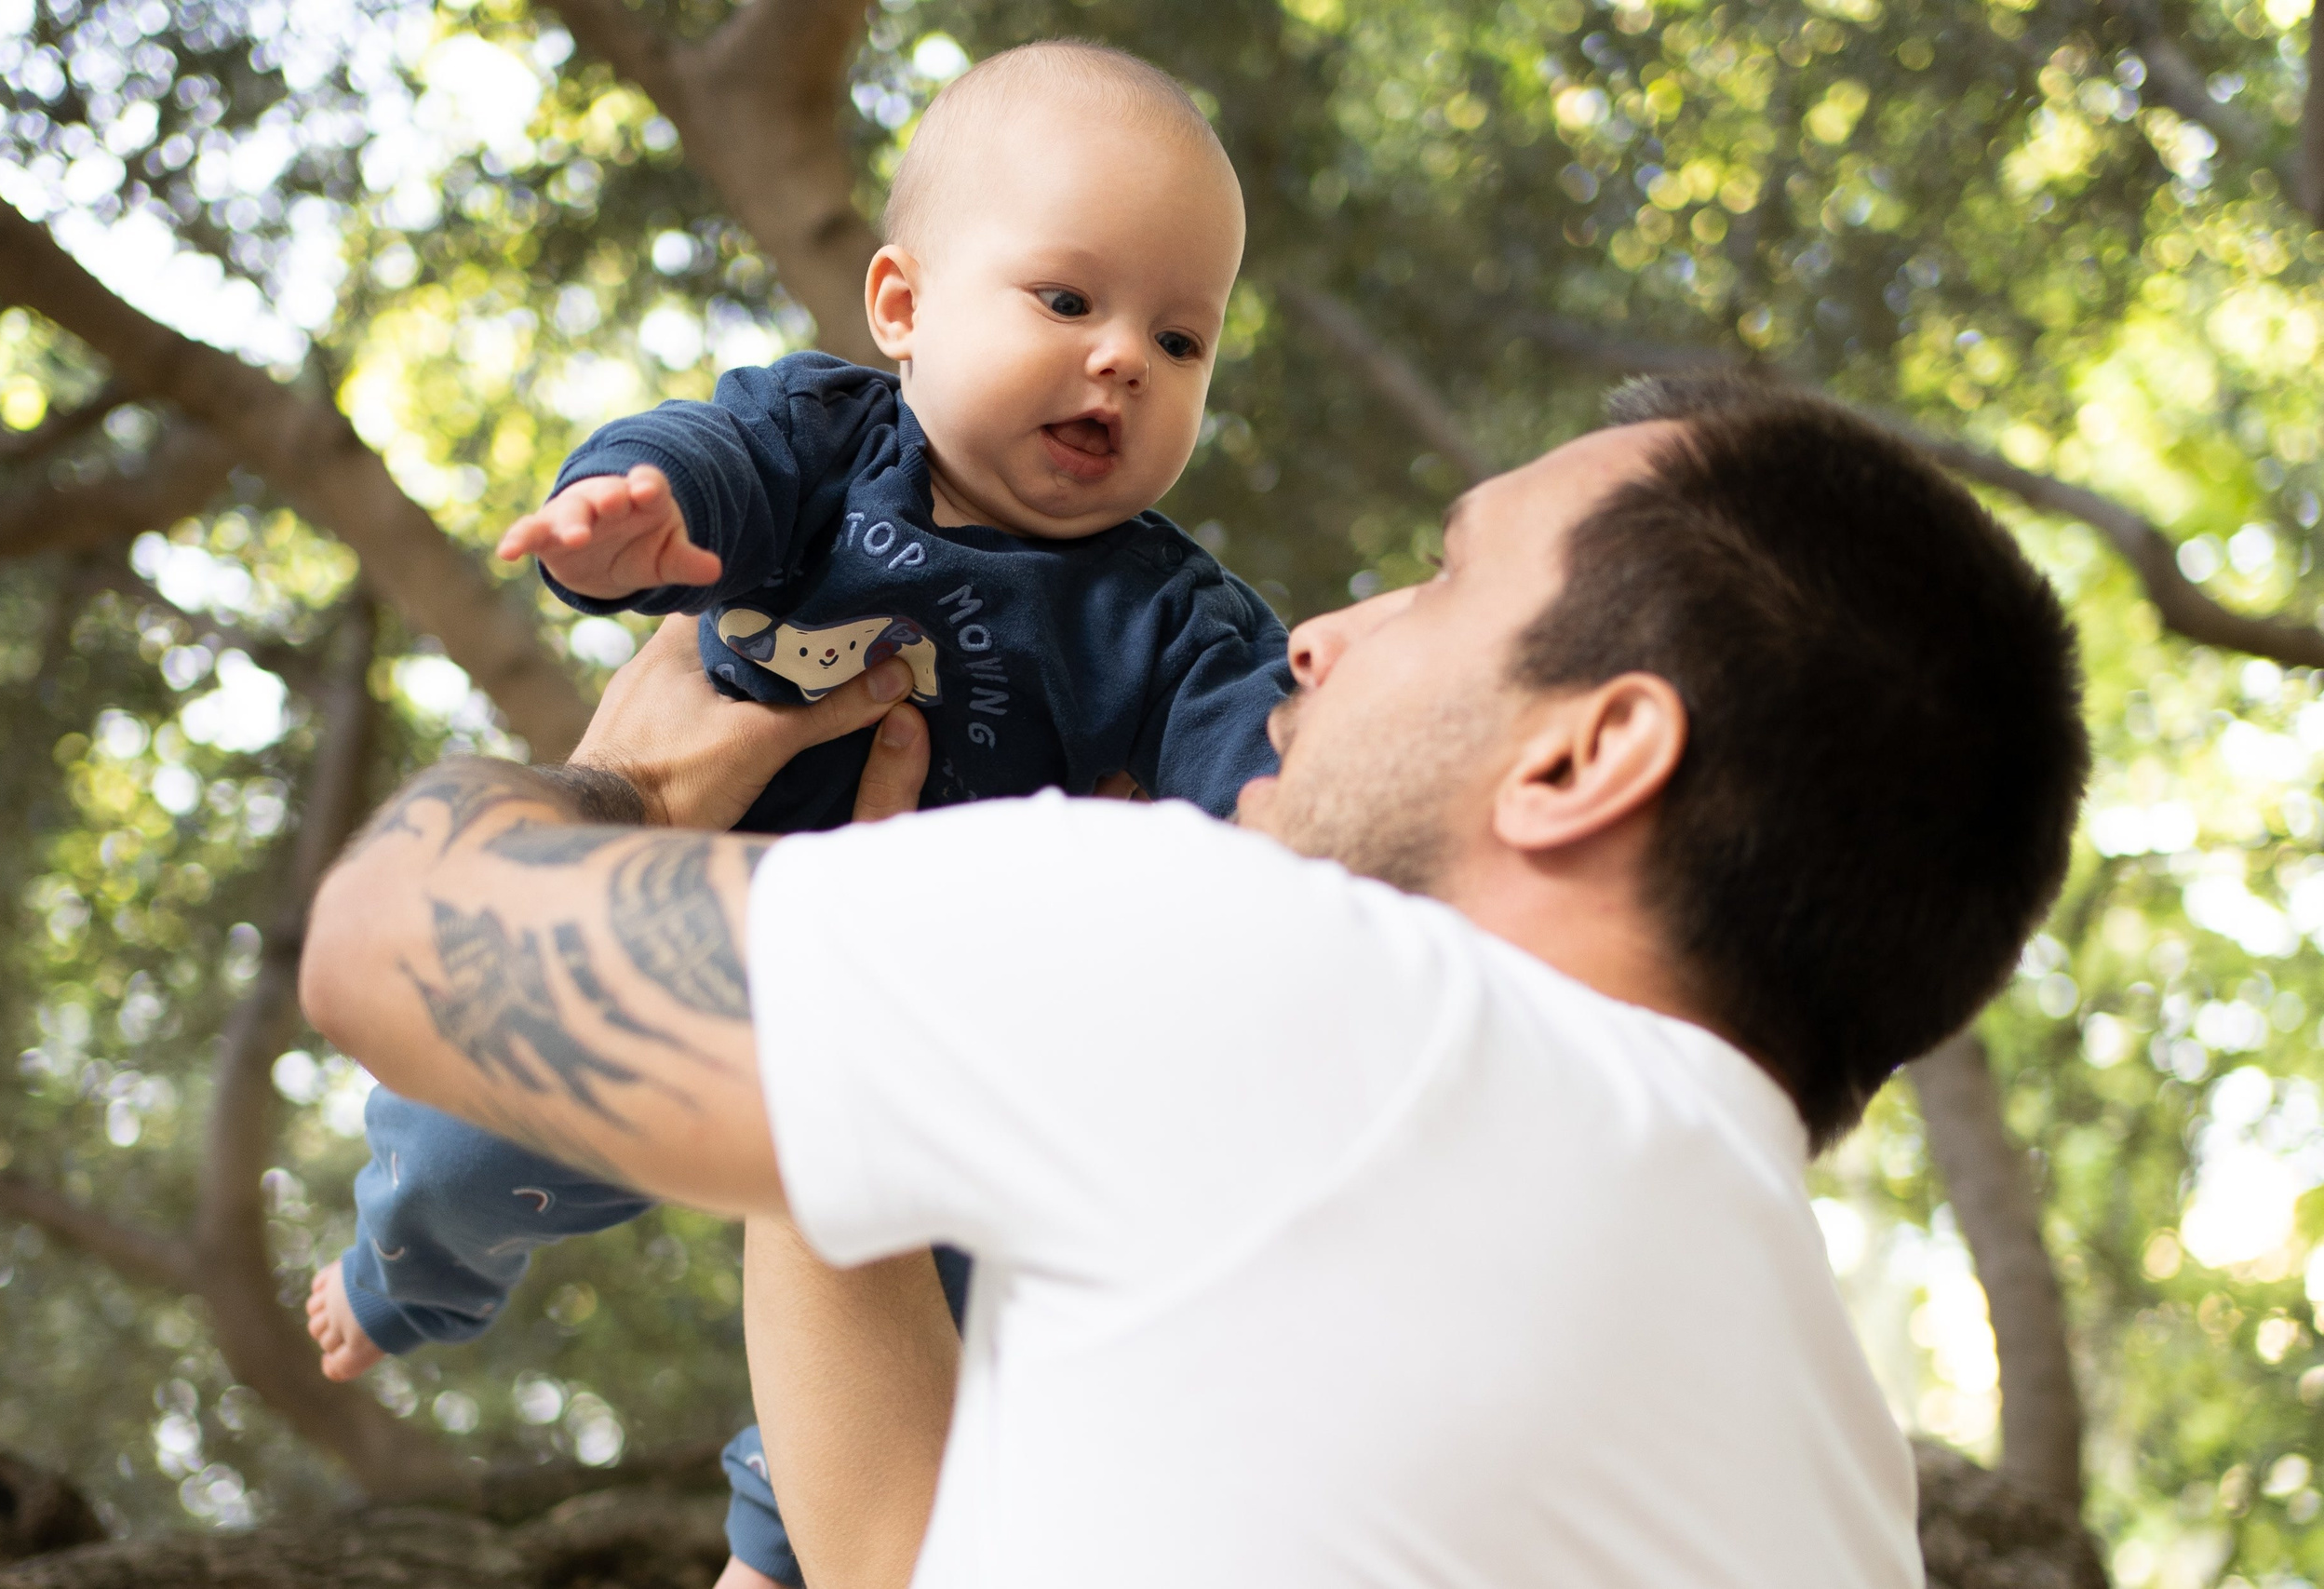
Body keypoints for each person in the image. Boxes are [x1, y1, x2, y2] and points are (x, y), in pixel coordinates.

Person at [298, 376, 2089, 1588]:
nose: (1320, 630)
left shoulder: (1308, 991)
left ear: (1586, 756)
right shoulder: (1836, 1482)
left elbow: (392, 944)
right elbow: (910, 1558)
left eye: (1445, 582)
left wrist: (631, 791)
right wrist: (858, 992)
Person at [302, 41, 1283, 1583]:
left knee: (950, 1286)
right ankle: (399, 1272)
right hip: (688, 956)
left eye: (1182, 337)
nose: (1125, 363)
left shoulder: (1168, 614)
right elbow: (706, 459)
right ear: (902, 307)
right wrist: (634, 517)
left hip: (923, 1037)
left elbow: (1258, 759)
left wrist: (1279, 830)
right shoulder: (828, 444)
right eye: (1069, 302)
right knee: (472, 1120)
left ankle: (783, 1533)